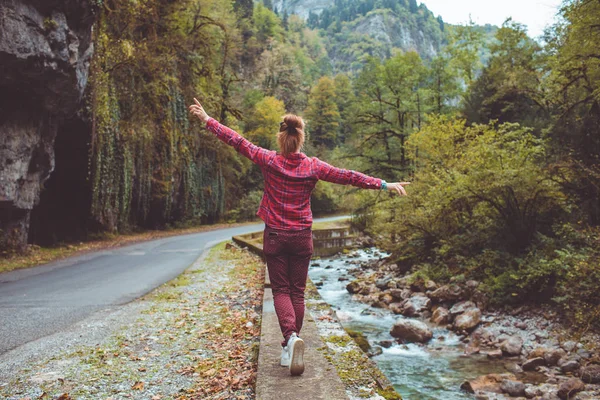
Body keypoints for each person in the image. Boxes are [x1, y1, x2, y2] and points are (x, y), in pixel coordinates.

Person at [189, 98, 409, 376]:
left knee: (281, 291)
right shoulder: (314, 167)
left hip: (276, 236)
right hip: (302, 237)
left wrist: (208, 120)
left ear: (281, 138)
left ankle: (291, 339)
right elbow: (348, 176)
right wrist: (385, 184)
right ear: (300, 139)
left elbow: (238, 141)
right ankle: (290, 344)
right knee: (297, 292)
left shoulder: (268, 159)